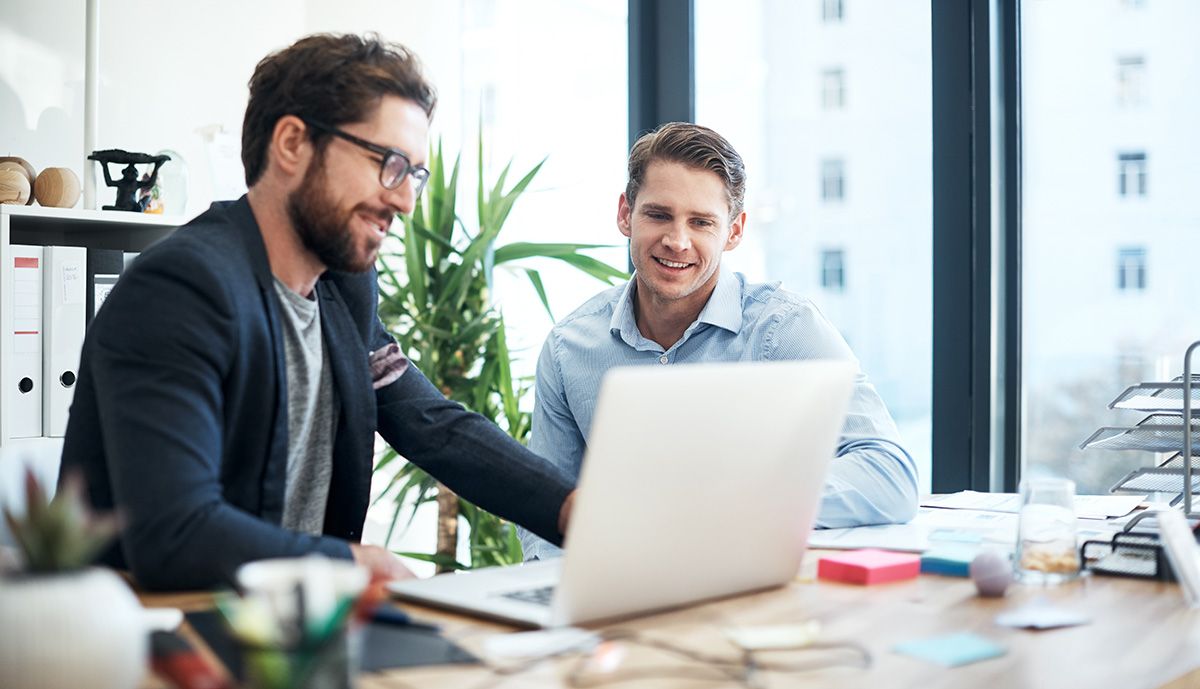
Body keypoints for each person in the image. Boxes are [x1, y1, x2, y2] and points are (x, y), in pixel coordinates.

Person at [60, 34, 575, 590]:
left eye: (415, 176)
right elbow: (176, 533)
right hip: (169, 637)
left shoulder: (344, 289)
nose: (404, 200)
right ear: (291, 144)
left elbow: (433, 425)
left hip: (300, 633)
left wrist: (571, 508)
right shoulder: (181, 289)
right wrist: (353, 565)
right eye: (390, 163)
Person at [519, 122, 917, 561]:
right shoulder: (568, 348)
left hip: (747, 590)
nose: (677, 241)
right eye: (658, 214)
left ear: (734, 231)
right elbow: (548, 510)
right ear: (625, 214)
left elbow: (889, 474)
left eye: (701, 222)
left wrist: (735, 504)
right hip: (617, 592)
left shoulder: (784, 329)